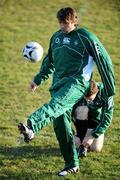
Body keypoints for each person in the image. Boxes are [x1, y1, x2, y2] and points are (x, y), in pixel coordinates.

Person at [18, 7, 115, 176]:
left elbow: (104, 60)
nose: (63, 26)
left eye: (66, 23)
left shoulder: (86, 37)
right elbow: (49, 61)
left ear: (74, 21)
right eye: (61, 23)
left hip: (77, 82)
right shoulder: (56, 38)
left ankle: (32, 125)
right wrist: (38, 79)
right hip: (58, 85)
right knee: (60, 124)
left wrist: (109, 87)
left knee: (57, 104)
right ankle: (72, 164)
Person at [73, 80, 114, 157]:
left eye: (90, 99)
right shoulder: (78, 90)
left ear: (97, 91)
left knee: (95, 148)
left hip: (96, 121)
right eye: (86, 99)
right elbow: (67, 114)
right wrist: (71, 134)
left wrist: (92, 136)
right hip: (81, 120)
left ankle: (83, 142)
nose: (88, 101)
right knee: (82, 109)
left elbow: (107, 119)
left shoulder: (106, 92)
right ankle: (80, 139)